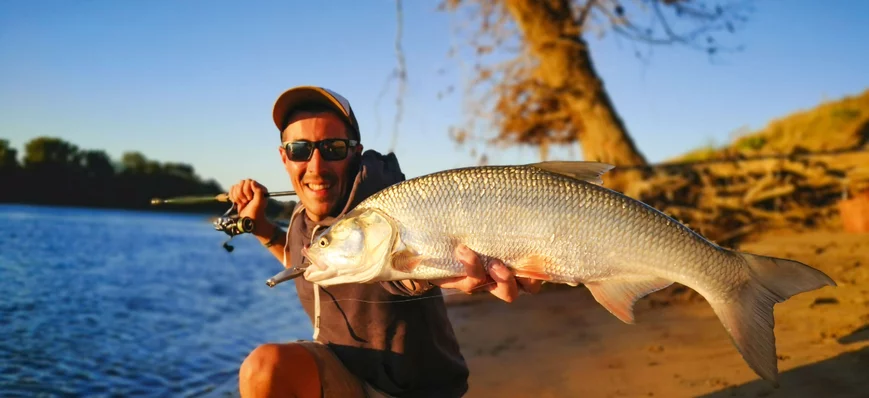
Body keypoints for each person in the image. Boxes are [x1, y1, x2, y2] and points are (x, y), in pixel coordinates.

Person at [228, 86, 542, 398]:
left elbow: (404, 275)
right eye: (300, 149)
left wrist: (443, 275)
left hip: (418, 389)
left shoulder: (390, 209)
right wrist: (262, 228)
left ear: (355, 153)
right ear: (284, 157)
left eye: (333, 147)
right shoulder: (301, 217)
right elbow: (301, 261)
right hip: (344, 378)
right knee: (266, 369)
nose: (316, 166)